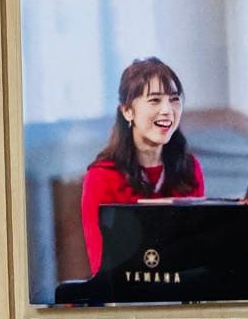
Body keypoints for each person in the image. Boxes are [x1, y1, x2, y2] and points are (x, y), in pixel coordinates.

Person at [81, 57, 204, 273]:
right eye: (155, 100)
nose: (167, 110)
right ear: (128, 111)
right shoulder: (102, 177)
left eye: (174, 99)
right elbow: (102, 266)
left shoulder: (189, 168)